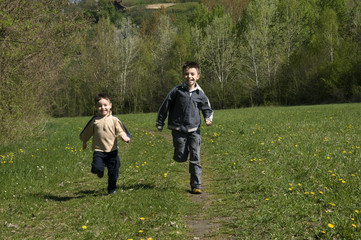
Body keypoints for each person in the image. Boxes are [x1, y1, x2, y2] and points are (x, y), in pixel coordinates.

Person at [156, 61, 213, 194]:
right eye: (186, 74)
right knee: (180, 156)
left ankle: (196, 184)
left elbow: (207, 107)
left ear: (198, 76)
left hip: (194, 130)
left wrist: (207, 118)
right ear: (183, 75)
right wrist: (160, 122)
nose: (189, 77)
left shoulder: (200, 94)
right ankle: (181, 153)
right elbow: (165, 106)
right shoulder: (177, 91)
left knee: (195, 157)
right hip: (178, 129)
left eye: (192, 74)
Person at [80, 93, 130, 194]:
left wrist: (124, 137)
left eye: (105, 105)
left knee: (113, 172)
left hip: (112, 151)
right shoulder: (95, 121)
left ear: (110, 105)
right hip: (99, 151)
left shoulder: (114, 120)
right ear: (96, 107)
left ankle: (112, 189)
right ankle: (100, 170)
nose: (103, 108)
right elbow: (87, 131)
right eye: (99, 106)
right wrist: (84, 141)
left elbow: (120, 130)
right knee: (96, 168)